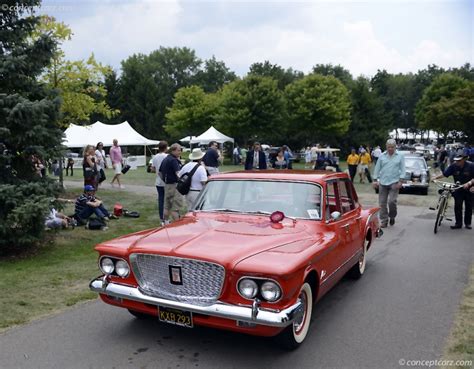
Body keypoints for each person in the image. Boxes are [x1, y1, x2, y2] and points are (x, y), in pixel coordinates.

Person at [433, 154, 474, 229]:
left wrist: (469, 183)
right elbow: (445, 174)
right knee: (458, 205)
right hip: (458, 188)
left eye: (459, 161)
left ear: (464, 160)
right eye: (456, 160)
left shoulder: (471, 166)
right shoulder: (453, 166)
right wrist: (435, 178)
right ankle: (458, 223)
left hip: (469, 189)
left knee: (469, 206)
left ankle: (467, 223)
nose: (457, 162)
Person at [373, 139, 406, 228]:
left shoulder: (400, 156)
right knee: (382, 203)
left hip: (394, 182)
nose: (390, 149)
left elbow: (403, 169)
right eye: (389, 147)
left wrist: (401, 181)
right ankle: (384, 220)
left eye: (392, 147)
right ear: (386, 147)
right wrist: (375, 180)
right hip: (383, 182)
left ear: (395, 147)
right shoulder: (382, 156)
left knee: (392, 201)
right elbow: (377, 168)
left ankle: (392, 216)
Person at [159, 143, 184, 222]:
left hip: (167, 185)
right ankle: (177, 227)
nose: (180, 152)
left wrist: (165, 180)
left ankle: (165, 223)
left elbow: (159, 173)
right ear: (173, 150)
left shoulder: (165, 159)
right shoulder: (174, 160)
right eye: (178, 150)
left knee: (167, 207)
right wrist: (183, 182)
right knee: (175, 208)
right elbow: (178, 174)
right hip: (174, 185)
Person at [151, 141, 168, 223]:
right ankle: (166, 218)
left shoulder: (155, 157)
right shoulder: (167, 156)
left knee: (161, 200)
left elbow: (153, 169)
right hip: (167, 181)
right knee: (168, 200)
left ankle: (162, 218)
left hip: (158, 181)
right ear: (166, 147)